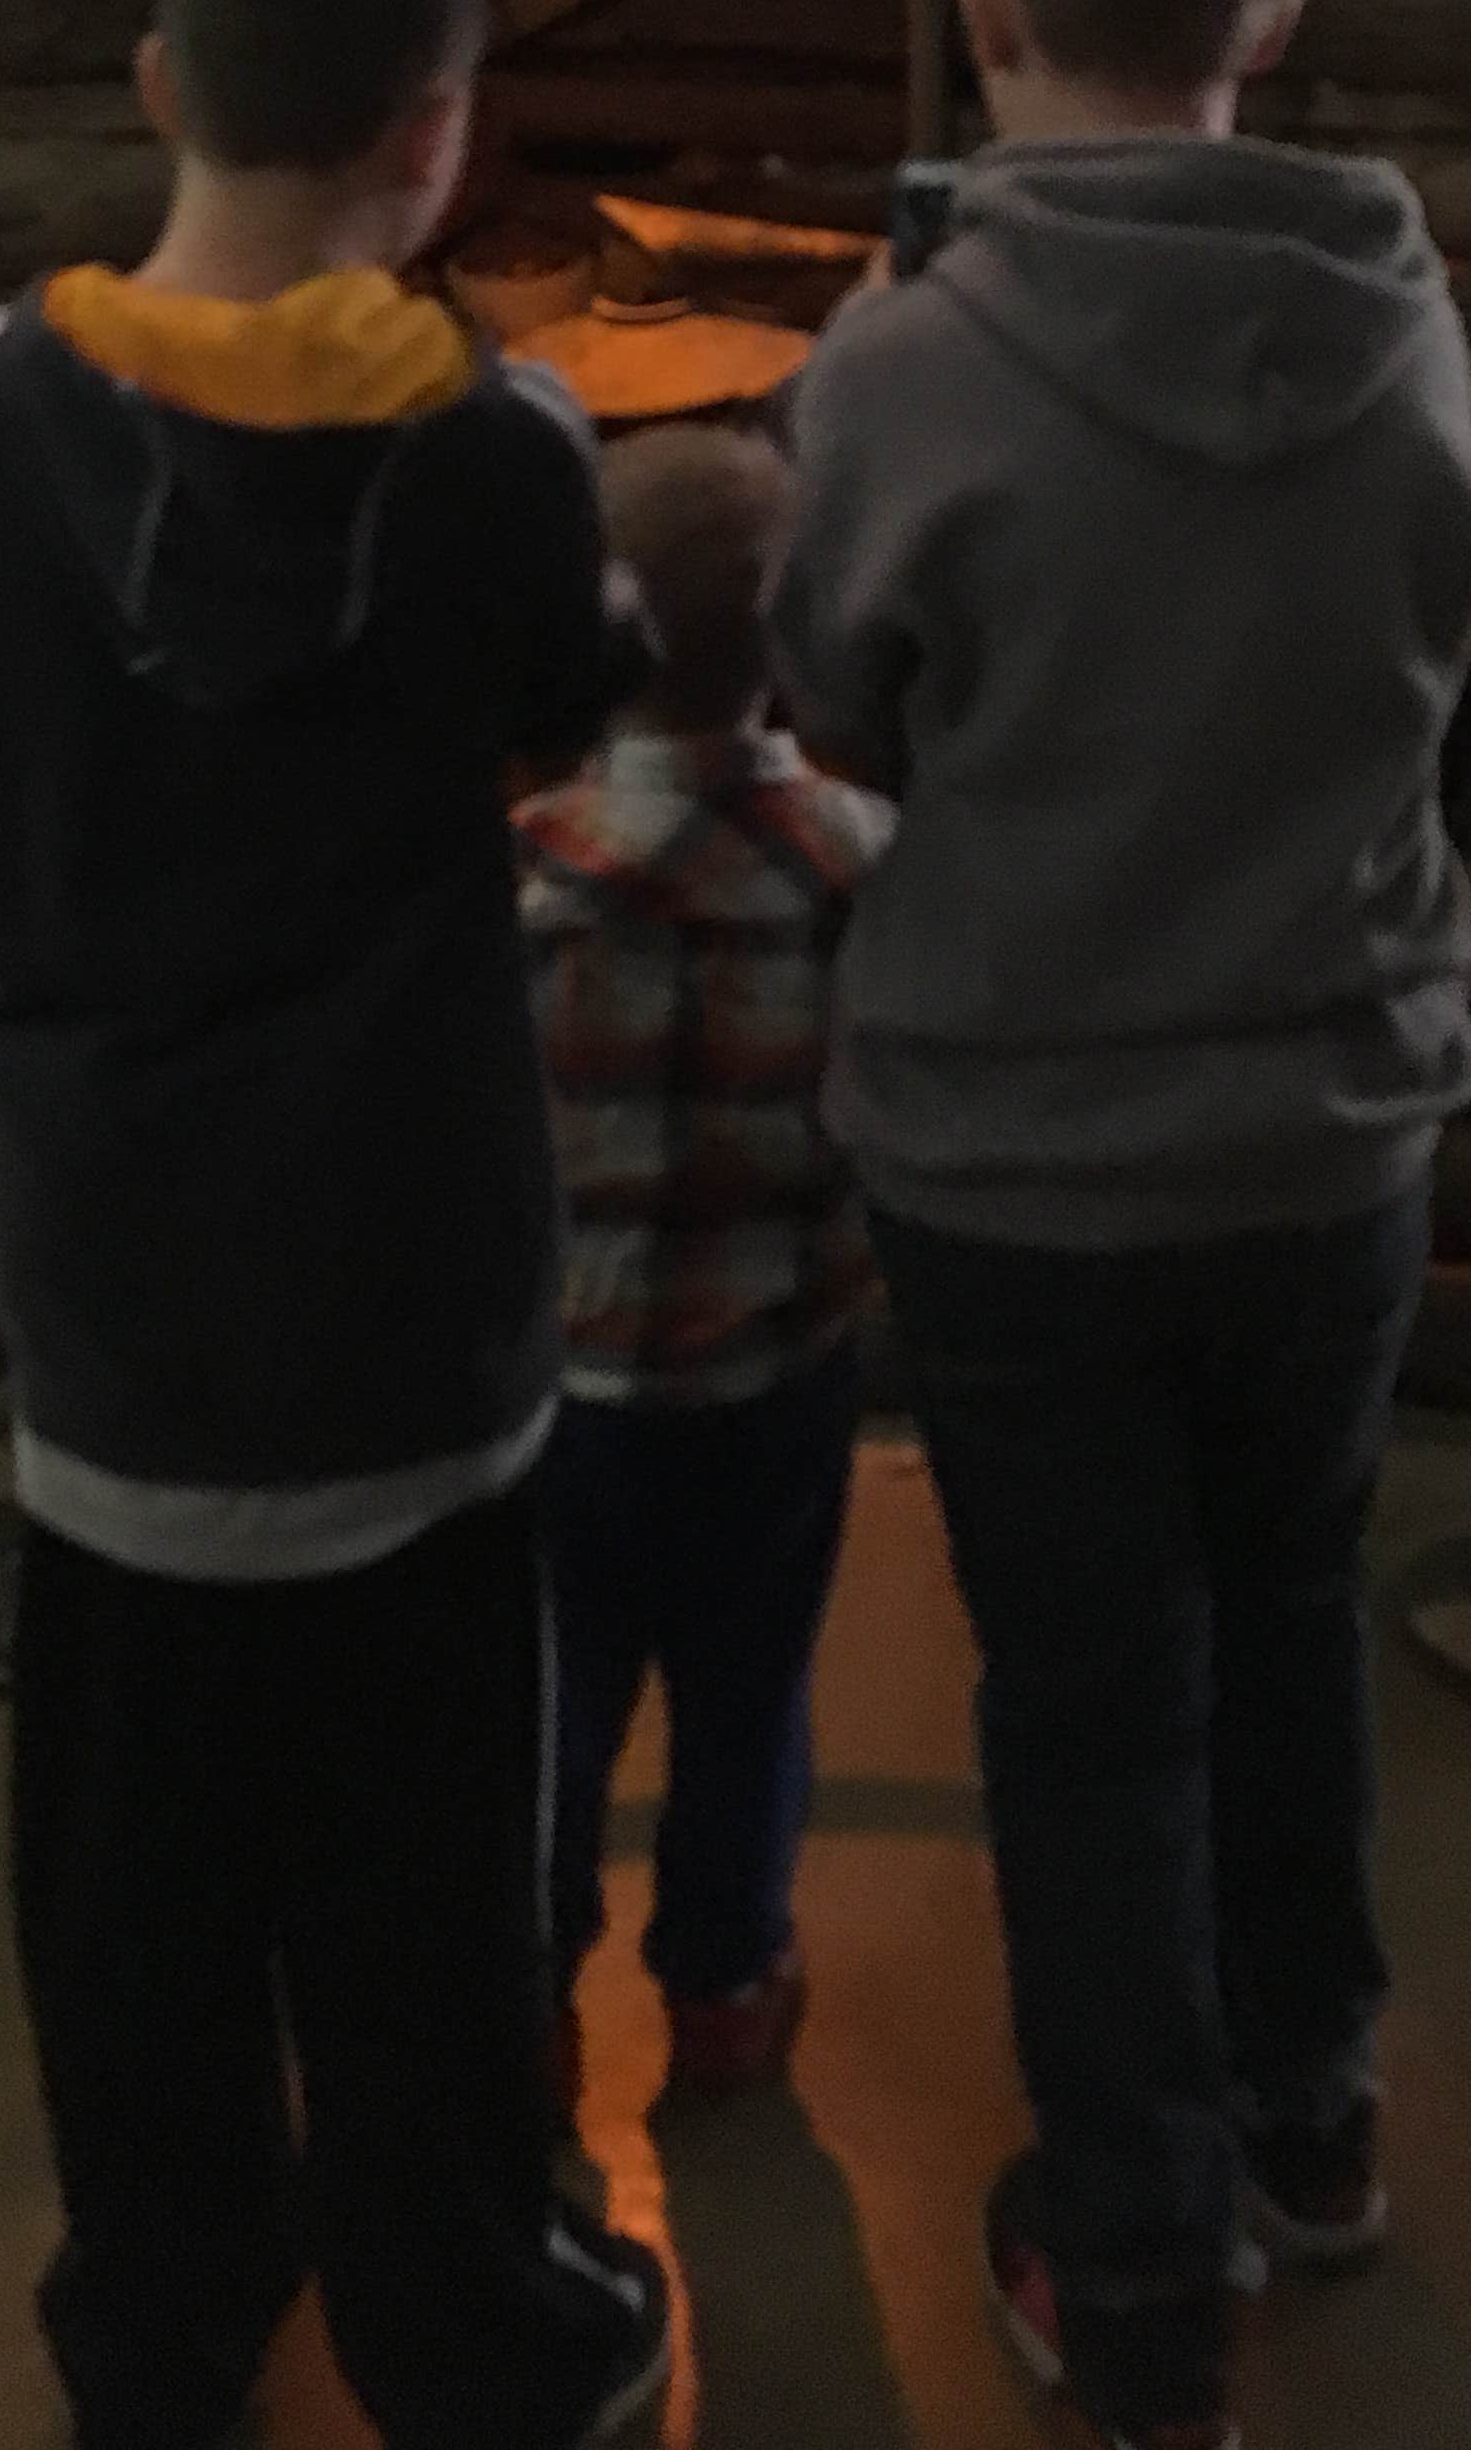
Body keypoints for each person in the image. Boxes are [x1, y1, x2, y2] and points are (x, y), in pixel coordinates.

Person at [0, 0, 670, 2450]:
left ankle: (161, 2333)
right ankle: (472, 2330)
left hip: (119, 1340)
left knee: (130, 1903)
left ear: (157, 75)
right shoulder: (501, 452)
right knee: (435, 1898)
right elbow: (546, 734)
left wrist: (41, 995)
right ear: (445, 134)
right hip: (417, 1326)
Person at [774, 0, 1471, 2450]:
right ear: (1276, 14)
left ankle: (1138, 2278)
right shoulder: (1410, 318)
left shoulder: (901, 364)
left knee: (1087, 1710)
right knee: (1294, 1620)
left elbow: (843, 700)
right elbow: (1433, 621)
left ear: (979, 17)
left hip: (1022, 1166)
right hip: (1334, 1128)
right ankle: (1310, 2133)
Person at [516, 426, 892, 2125]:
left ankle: (526, 1988)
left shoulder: (519, 872)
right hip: (772, 1378)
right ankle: (727, 1982)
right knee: (750, 1690)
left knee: (548, 1704)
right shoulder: (856, 858)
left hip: (560, 1389)